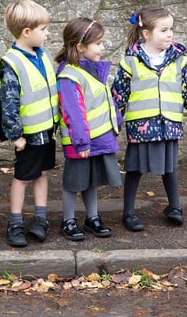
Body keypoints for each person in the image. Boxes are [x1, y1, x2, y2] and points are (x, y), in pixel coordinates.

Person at [112, 5, 187, 231]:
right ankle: (128, 213)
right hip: (141, 126)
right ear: (146, 33)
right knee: (135, 169)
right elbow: (118, 94)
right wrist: (112, 124)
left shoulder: (179, 59)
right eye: (164, 30)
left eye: (171, 29)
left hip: (169, 124)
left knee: (170, 167)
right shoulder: (131, 61)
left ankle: (174, 207)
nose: (170, 34)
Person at [0, 0, 60, 247]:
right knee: (23, 177)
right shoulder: (12, 62)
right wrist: (15, 135)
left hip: (47, 131)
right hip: (28, 136)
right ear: (27, 32)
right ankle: (15, 223)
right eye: (43, 29)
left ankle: (40, 219)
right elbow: (9, 102)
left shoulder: (43, 56)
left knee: (42, 173)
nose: (47, 33)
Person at [55, 18, 122, 241]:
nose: (102, 48)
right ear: (80, 46)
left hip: (98, 139)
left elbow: (104, 102)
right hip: (81, 142)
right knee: (74, 182)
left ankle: (92, 217)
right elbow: (74, 113)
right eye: (98, 43)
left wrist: (116, 121)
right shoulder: (69, 76)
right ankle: (68, 220)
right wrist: (81, 142)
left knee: (92, 180)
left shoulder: (91, 72)